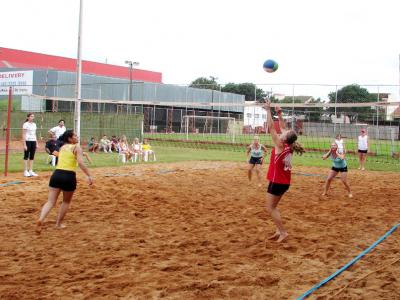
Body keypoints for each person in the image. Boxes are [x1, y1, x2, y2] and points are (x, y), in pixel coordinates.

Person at [263, 101, 305, 243]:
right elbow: (282, 126)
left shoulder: (280, 144)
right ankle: (278, 230)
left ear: (285, 138)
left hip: (277, 182)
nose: (283, 131)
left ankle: (283, 232)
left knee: (270, 208)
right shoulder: (289, 145)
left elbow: (271, 128)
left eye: (285, 133)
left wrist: (268, 110)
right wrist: (279, 113)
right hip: (284, 182)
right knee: (273, 207)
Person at [36, 130, 93, 233]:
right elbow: (80, 163)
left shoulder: (62, 148)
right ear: (70, 138)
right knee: (66, 201)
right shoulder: (77, 147)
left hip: (56, 175)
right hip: (69, 176)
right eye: (75, 135)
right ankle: (58, 223)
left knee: (50, 201)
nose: (77, 137)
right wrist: (89, 175)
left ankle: (41, 219)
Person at [22, 113, 38, 177]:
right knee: (26, 156)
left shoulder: (34, 124)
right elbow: (23, 134)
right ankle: (25, 171)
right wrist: (24, 144)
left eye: (33, 116)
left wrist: (36, 143)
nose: (32, 117)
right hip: (27, 141)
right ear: (28, 117)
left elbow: (35, 134)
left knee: (32, 156)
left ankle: (30, 170)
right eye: (31, 116)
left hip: (33, 141)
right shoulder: (25, 124)